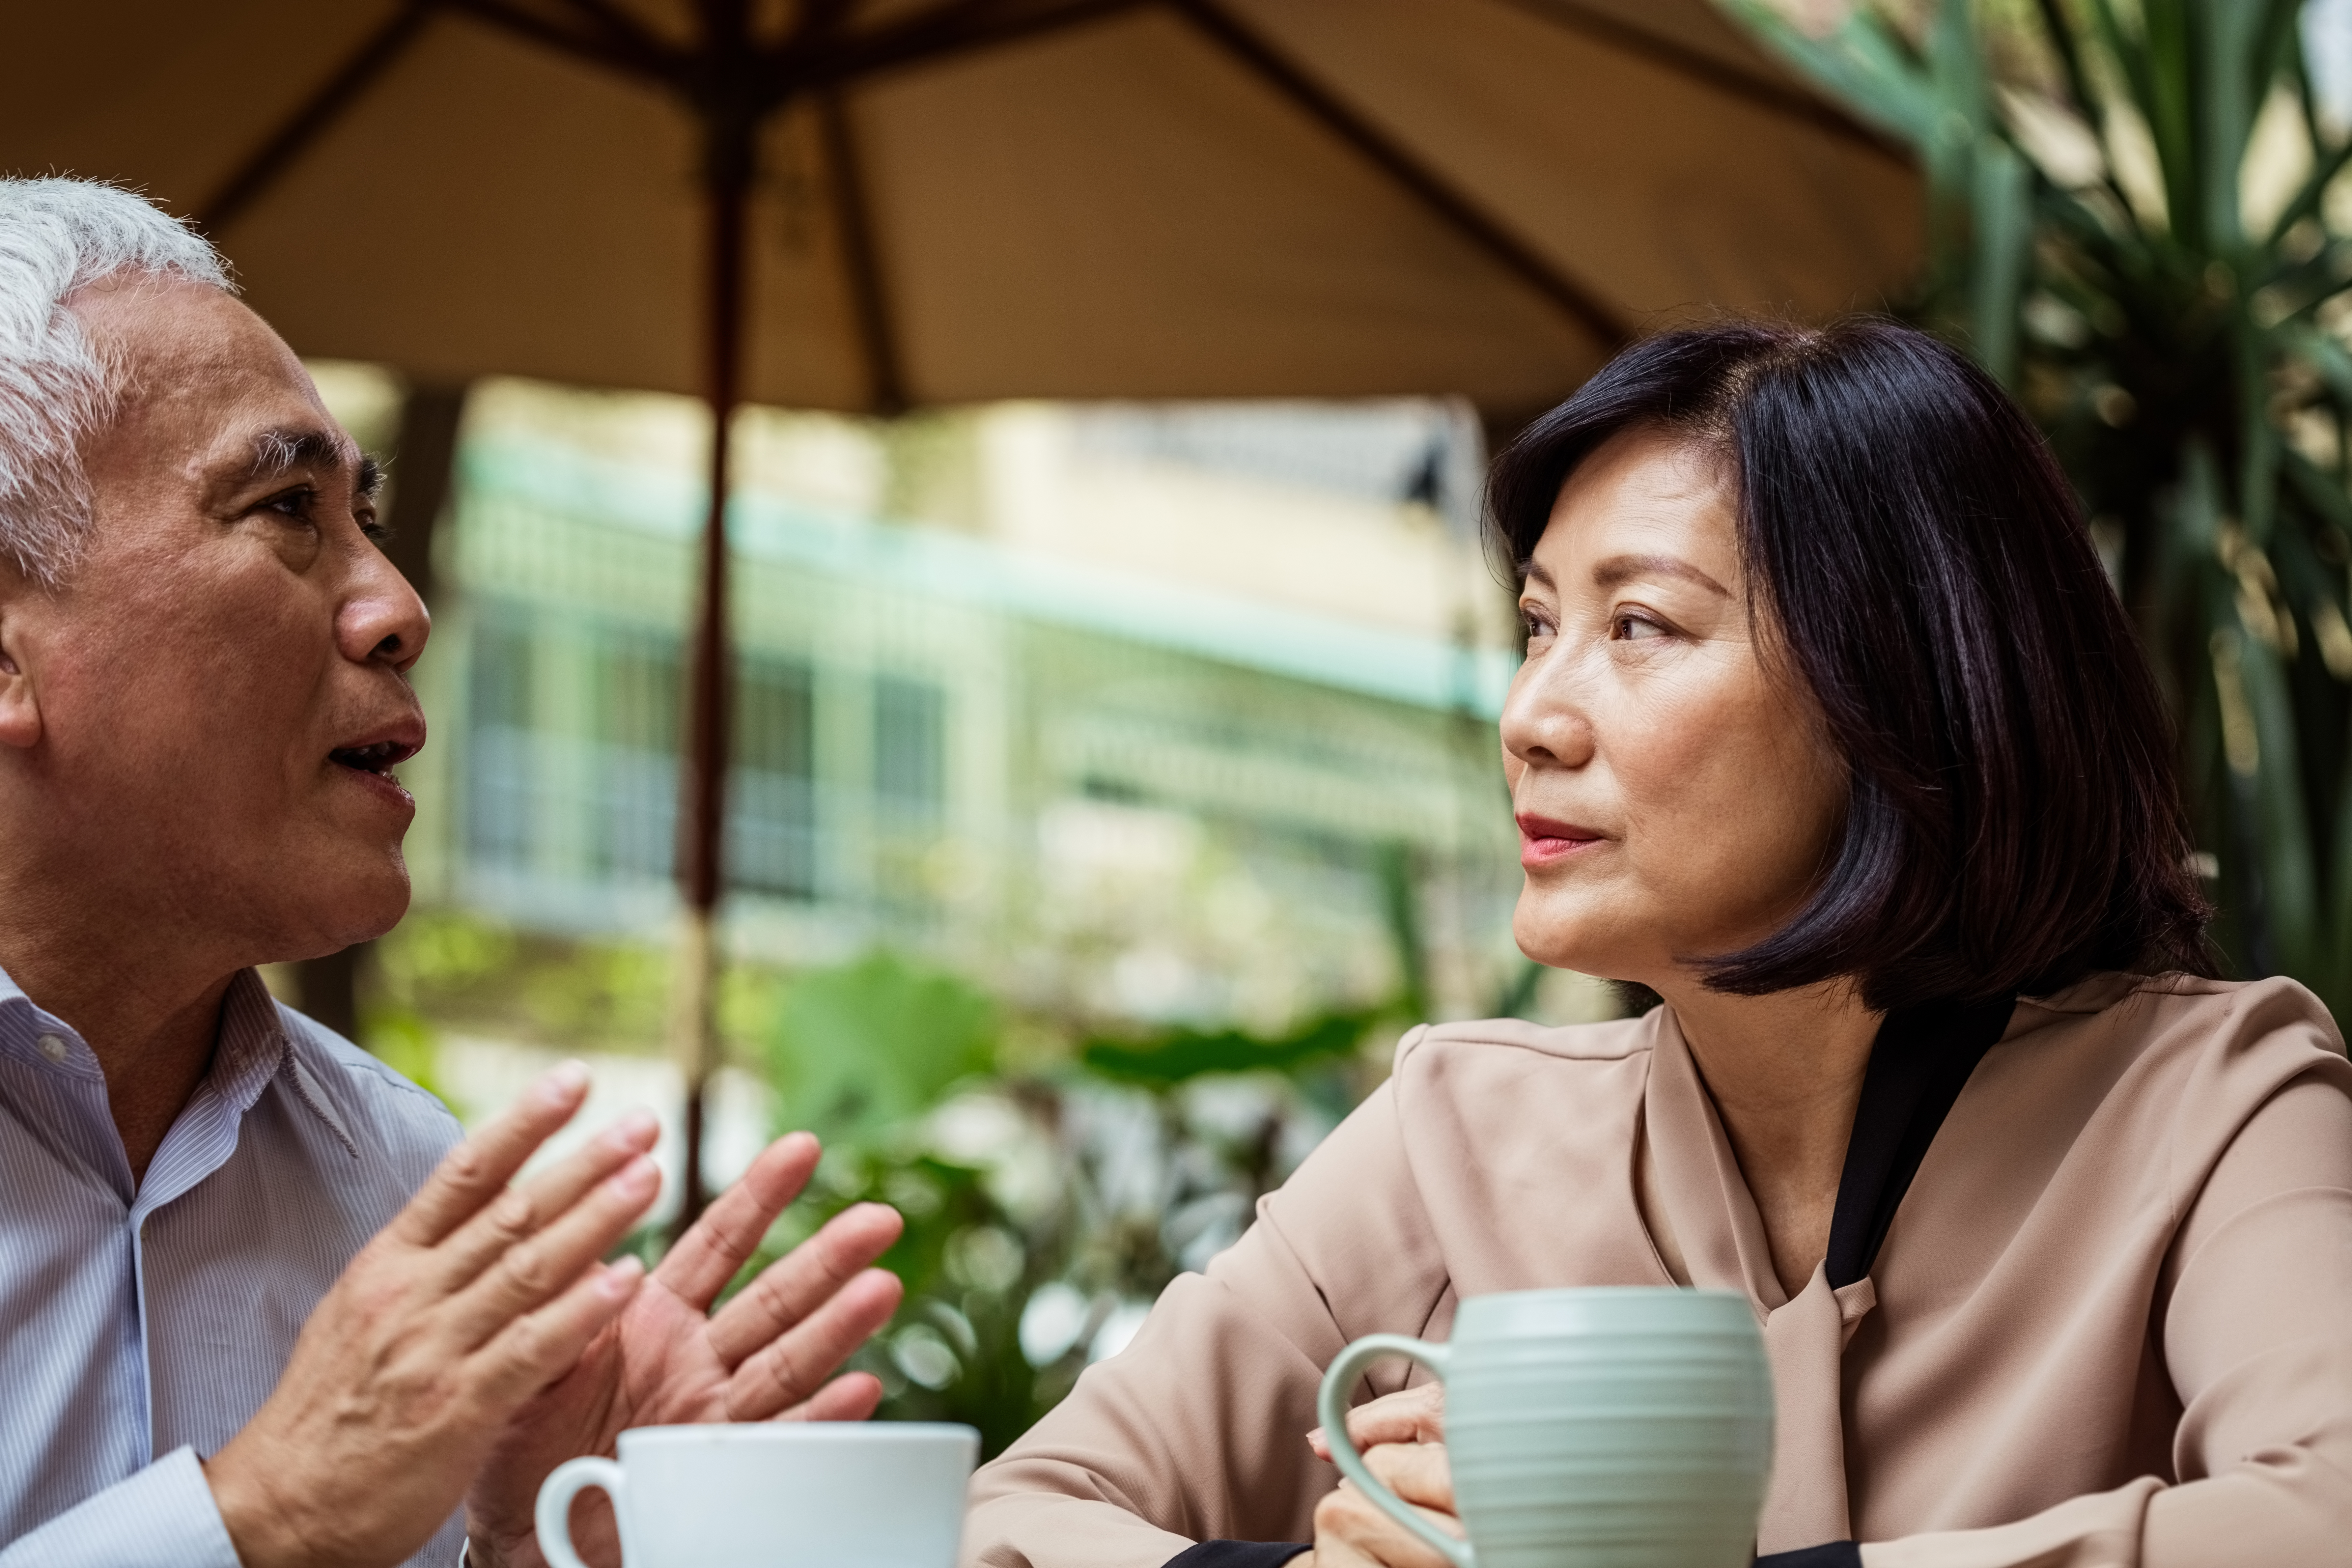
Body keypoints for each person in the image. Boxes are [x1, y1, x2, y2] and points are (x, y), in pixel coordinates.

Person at [961, 319, 2352, 1568]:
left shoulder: (2219, 1097)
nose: (1532, 717)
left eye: (1640, 625)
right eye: (1538, 624)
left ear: (1903, 686)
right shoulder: (1458, 1131)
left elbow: (2327, 1514)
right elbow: (1012, 1520)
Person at [0, 177, 907, 1568]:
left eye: (366, 517)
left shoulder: (407, 1188)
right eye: (286, 506)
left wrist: (534, 1550)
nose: (402, 606)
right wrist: (258, 1521)